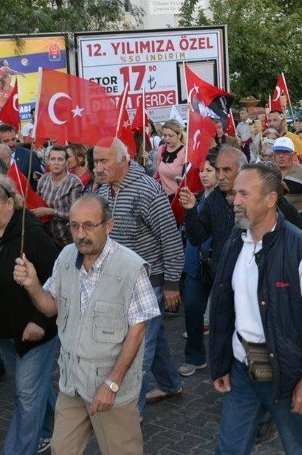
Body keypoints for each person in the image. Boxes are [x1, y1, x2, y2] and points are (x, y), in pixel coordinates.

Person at [14, 194, 159, 454]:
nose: (80, 234)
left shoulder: (131, 267)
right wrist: (32, 284)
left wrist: (112, 384)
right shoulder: (67, 256)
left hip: (111, 386)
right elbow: (50, 307)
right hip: (72, 382)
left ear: (108, 225)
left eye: (89, 225)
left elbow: (139, 331)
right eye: (74, 226)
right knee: (61, 450)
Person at [208, 163, 302, 454]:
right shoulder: (236, 241)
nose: (235, 200)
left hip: (287, 373)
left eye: (244, 194)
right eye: (235, 193)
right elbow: (225, 308)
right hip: (242, 369)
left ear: (271, 199)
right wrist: (222, 362)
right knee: (229, 449)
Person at [0, 175, 61, 454]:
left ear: (10, 202)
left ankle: (18, 450)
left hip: (33, 331)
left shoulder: (34, 236)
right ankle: (52, 429)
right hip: (2, 329)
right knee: (35, 386)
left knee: (26, 395)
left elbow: (59, 282)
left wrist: (41, 321)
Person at [92, 137, 184, 414]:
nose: (97, 168)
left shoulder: (146, 190)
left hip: (149, 284)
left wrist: (171, 284)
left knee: (138, 351)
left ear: (123, 160)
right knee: (153, 339)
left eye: (103, 161)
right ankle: (170, 384)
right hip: (121, 283)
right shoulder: (104, 191)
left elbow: (170, 238)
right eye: (95, 162)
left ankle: (131, 414)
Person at [178, 147, 248, 377]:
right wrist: (190, 211)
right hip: (218, 273)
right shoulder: (214, 199)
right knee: (219, 325)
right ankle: (224, 372)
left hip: (248, 277)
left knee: (244, 328)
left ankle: (245, 375)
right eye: (218, 170)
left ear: (242, 170)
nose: (221, 175)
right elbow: (197, 236)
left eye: (227, 169)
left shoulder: (256, 196)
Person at [34, 145, 85, 248]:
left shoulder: (74, 183)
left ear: (66, 162)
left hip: (67, 240)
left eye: (60, 159)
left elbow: (75, 215)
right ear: (48, 161)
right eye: (53, 159)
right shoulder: (43, 179)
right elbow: (36, 202)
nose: (56, 163)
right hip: (45, 236)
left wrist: (51, 211)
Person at [271, 137, 302, 236]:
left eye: (285, 152)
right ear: (273, 155)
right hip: (274, 230)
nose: (281, 156)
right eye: (278, 152)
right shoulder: (267, 173)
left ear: (293, 155)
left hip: (299, 231)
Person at [154, 119, 187, 199]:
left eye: (170, 135)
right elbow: (157, 173)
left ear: (179, 135)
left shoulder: (185, 152)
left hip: (179, 198)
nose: (167, 139)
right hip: (163, 198)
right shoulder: (161, 149)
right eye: (165, 135)